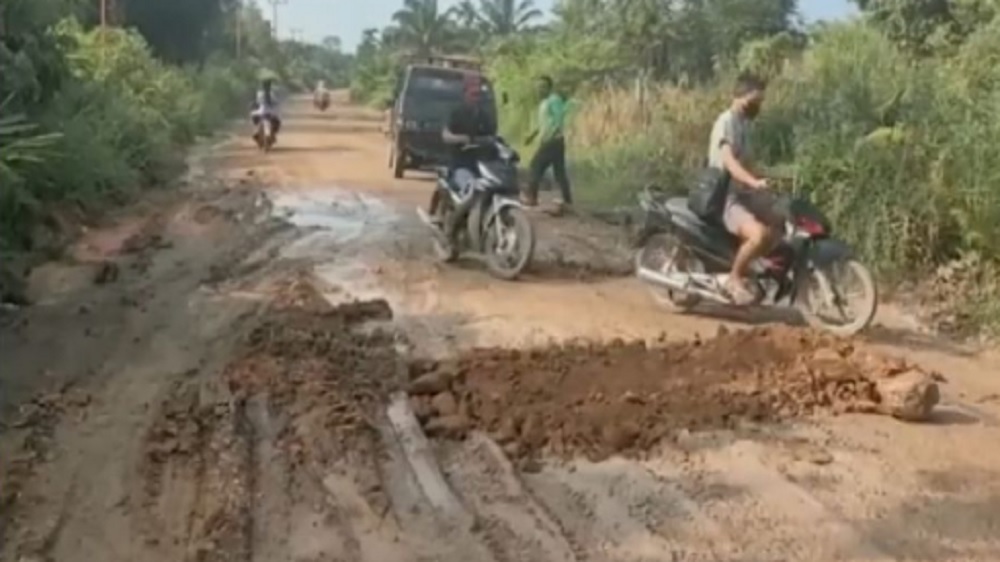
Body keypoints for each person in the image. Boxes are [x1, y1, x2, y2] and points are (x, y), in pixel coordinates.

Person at [707, 73, 777, 306]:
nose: (757, 106)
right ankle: (734, 277)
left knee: (780, 219)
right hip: (726, 194)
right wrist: (753, 182)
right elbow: (730, 162)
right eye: (754, 100)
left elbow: (748, 163)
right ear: (739, 96)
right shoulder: (726, 122)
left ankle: (755, 269)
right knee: (758, 235)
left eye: (760, 101)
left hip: (742, 191)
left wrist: (767, 180)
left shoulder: (745, 125)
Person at [431, 73, 497, 236]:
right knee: (470, 192)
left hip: (481, 165)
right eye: (473, 94)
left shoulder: (484, 115)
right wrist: (462, 139)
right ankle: (451, 226)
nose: (476, 97)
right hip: (459, 163)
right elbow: (445, 135)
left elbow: (493, 136)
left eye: (479, 94)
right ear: (465, 93)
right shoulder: (455, 112)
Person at [523, 75, 571, 209]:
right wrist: (532, 136)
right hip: (552, 141)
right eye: (538, 87)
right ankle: (567, 200)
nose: (540, 90)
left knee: (535, 165)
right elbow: (542, 124)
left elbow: (558, 120)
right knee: (559, 172)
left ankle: (532, 198)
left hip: (553, 141)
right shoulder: (543, 103)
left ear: (550, 88)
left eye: (543, 87)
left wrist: (549, 137)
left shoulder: (554, 100)